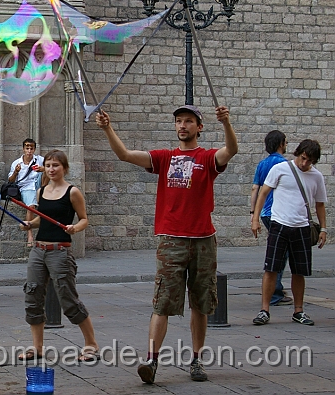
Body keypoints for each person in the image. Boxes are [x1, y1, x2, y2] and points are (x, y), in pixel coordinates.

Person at [96, 104, 237, 384]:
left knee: (201, 303)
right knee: (162, 302)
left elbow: (230, 150)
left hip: (203, 240)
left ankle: (196, 360)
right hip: (171, 239)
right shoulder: (164, 158)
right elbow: (124, 154)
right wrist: (107, 128)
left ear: (199, 127)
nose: (182, 126)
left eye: (188, 121)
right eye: (178, 121)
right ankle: (151, 359)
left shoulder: (207, 158)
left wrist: (226, 124)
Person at [18, 150, 98, 361]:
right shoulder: (41, 192)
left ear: (64, 168)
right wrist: (29, 224)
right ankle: (37, 347)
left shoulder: (72, 192)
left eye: (56, 166)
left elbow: (84, 219)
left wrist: (75, 228)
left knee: (68, 299)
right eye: (49, 165)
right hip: (38, 250)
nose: (52, 169)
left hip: (60, 251)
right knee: (32, 296)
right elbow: (40, 221)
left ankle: (91, 344)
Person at [251, 139, 327, 327]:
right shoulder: (280, 169)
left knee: (299, 271)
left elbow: (319, 205)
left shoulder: (317, 177)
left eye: (309, 161)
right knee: (271, 268)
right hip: (279, 224)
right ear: (297, 154)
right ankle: (264, 309)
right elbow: (263, 192)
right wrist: (255, 218)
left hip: (302, 227)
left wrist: (324, 228)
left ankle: (298, 310)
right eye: (303, 158)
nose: (305, 164)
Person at [250, 130, 292, 306]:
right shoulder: (285, 164)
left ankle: (276, 288)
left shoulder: (263, 164)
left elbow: (255, 189)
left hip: (265, 214)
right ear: (281, 143)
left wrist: (254, 214)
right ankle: (275, 292)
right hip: (279, 214)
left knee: (278, 251)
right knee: (281, 253)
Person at [8, 138, 44, 247]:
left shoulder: (39, 160)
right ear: (23, 149)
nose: (29, 151)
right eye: (27, 148)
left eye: (31, 148)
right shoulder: (17, 163)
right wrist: (16, 172)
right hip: (26, 188)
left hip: (39, 184)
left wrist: (42, 169)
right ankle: (30, 234)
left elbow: (52, 165)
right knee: (31, 206)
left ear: (34, 149)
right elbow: (10, 180)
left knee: (47, 171)